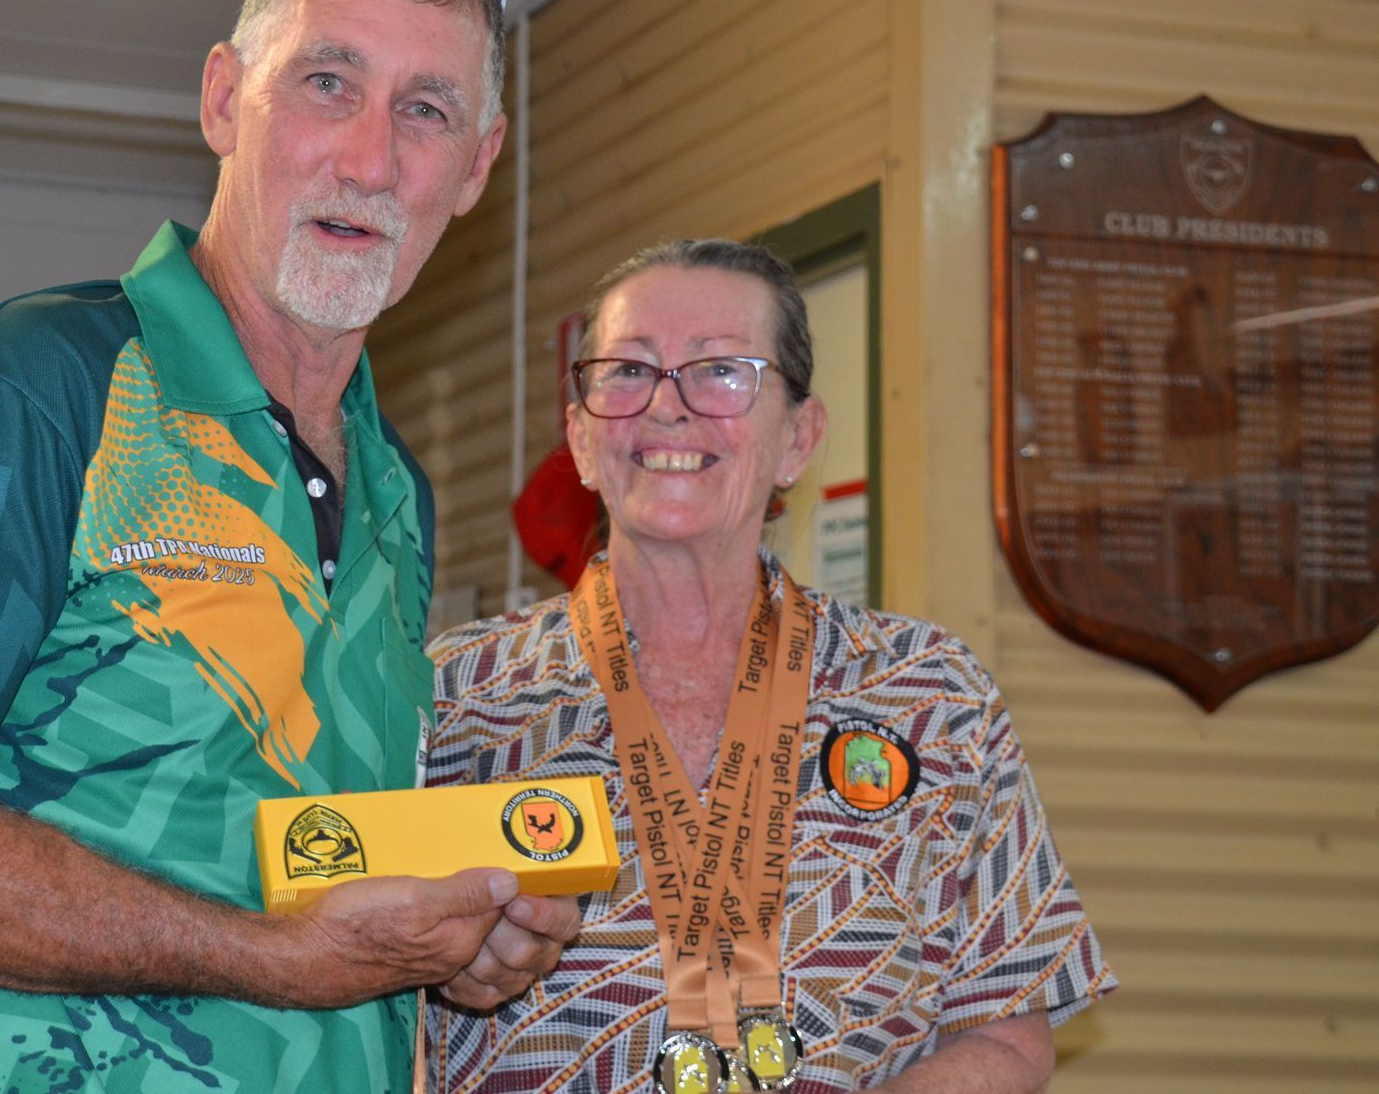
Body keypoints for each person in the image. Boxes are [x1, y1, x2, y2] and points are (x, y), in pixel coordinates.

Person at [0, 0, 580, 1094]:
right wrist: (267, 958)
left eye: (427, 110)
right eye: (327, 83)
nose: (370, 158)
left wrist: (448, 948)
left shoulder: (395, 486)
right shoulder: (47, 382)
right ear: (224, 100)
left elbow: (300, 869)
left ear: (475, 169)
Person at [425, 239, 1117, 1092]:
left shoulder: (932, 696)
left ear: (799, 437)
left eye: (720, 371)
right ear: (579, 437)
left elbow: (1009, 1033)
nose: (669, 408)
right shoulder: (452, 696)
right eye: (629, 372)